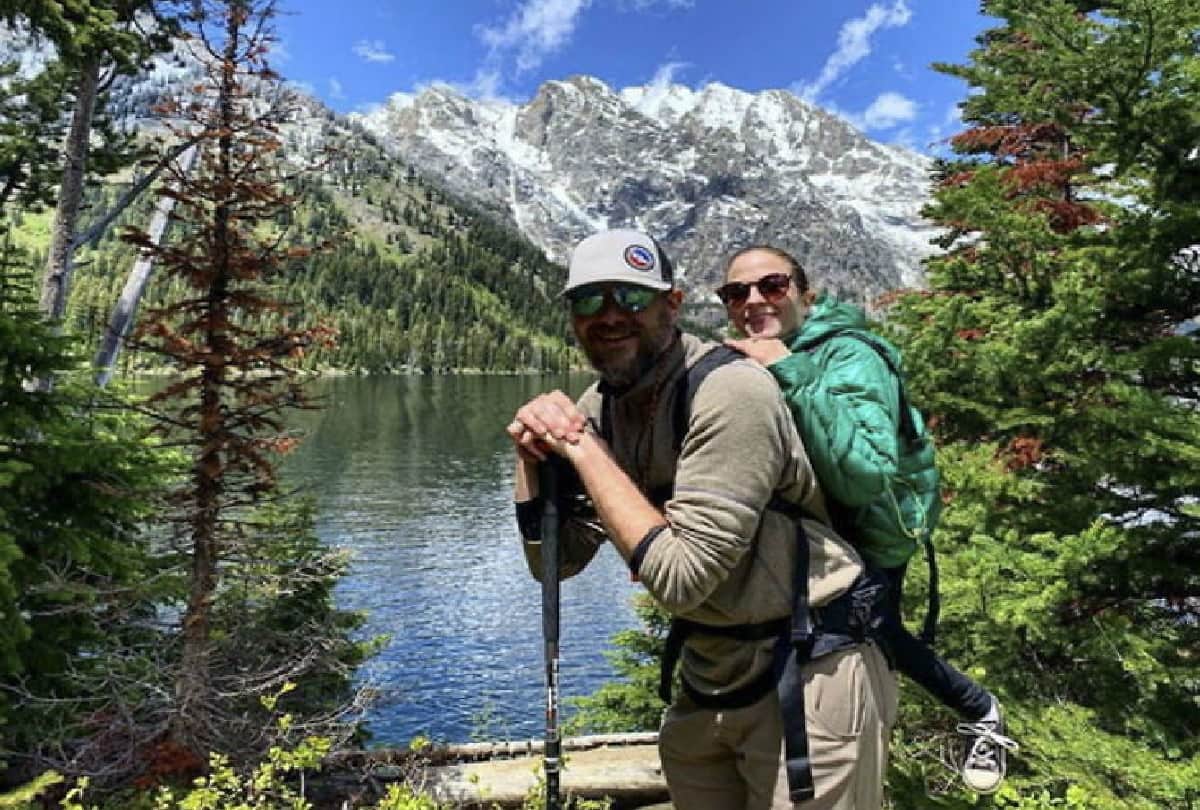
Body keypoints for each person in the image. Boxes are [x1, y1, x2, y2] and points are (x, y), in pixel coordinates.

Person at [506, 229, 897, 809]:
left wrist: (583, 449)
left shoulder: (731, 391)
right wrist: (532, 460)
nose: (610, 316)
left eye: (631, 298)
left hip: (811, 668)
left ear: (673, 303)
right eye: (590, 300)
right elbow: (553, 564)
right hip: (708, 674)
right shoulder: (600, 406)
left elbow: (683, 576)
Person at [717, 245, 1018, 794]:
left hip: (870, 538)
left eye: (773, 286)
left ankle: (981, 712)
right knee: (849, 641)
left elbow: (864, 474)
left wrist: (786, 369)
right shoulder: (764, 353)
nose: (754, 300)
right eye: (737, 293)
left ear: (806, 296)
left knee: (870, 635)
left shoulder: (850, 355)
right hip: (818, 537)